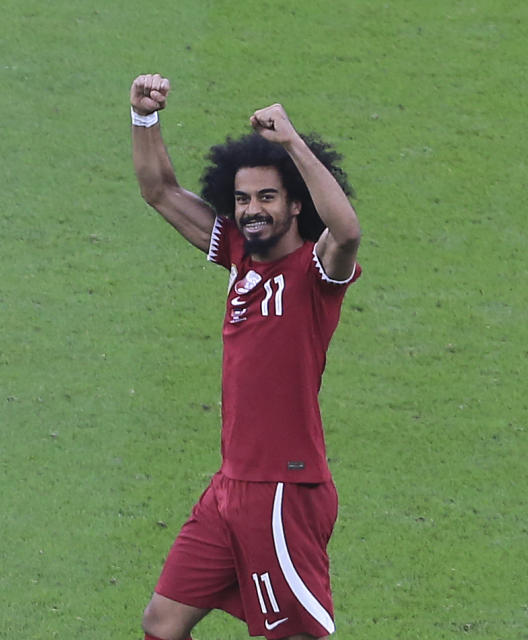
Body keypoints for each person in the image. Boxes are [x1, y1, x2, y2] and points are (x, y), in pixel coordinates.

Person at [129, 73, 362, 640]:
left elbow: (347, 228)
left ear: (293, 205)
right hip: (231, 486)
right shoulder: (239, 257)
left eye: (266, 197)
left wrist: (291, 144)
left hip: (284, 491)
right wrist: (144, 117)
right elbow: (159, 191)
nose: (251, 210)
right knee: (162, 624)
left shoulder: (315, 272)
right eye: (241, 199)